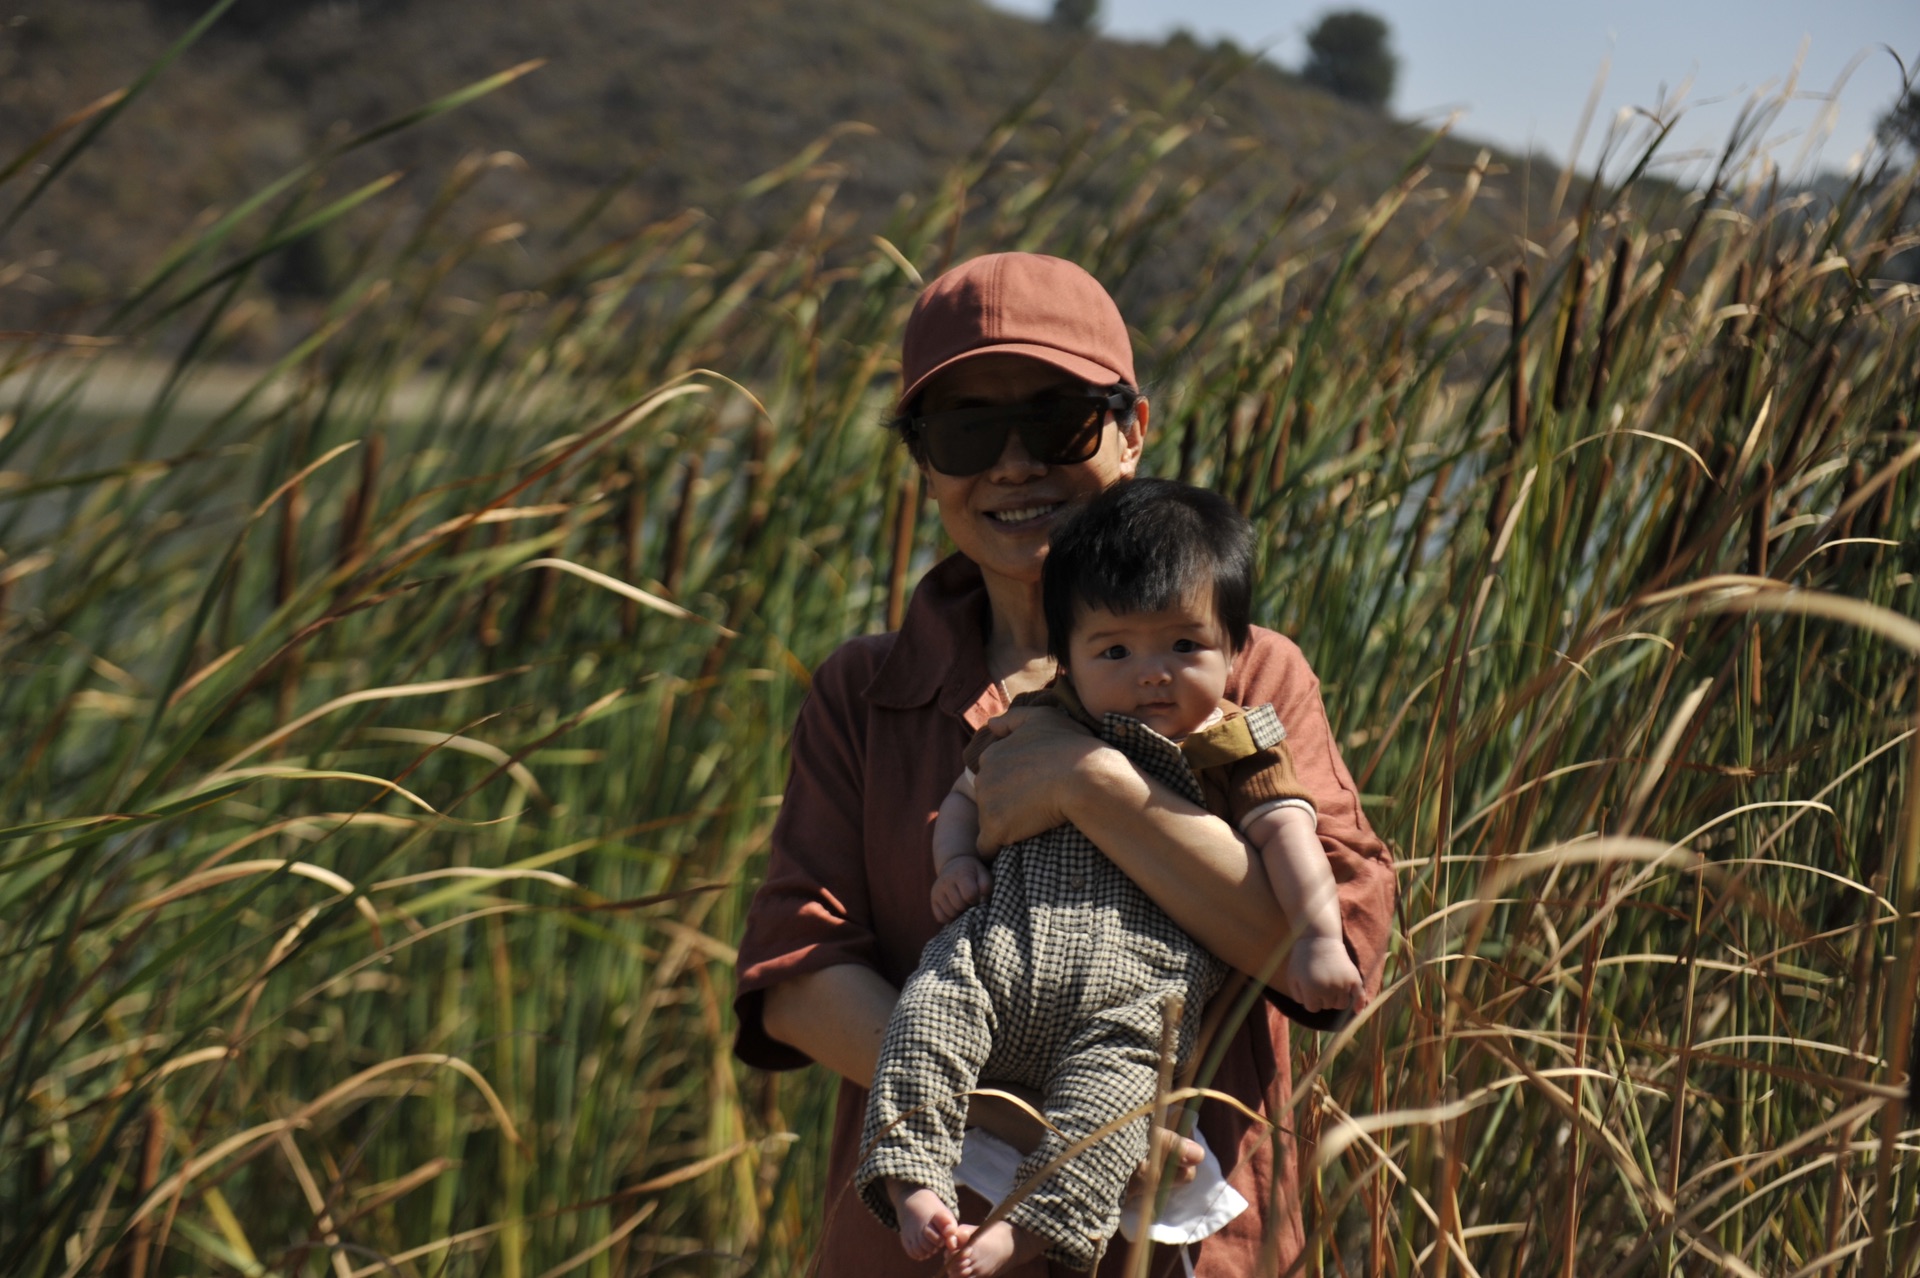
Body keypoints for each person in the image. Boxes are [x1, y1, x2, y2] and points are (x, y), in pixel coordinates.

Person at [731, 251, 1396, 1276]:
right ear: (924, 461)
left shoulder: (1252, 673)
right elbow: (797, 978)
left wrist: (1094, 785)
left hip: (1182, 1248)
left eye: (1057, 421)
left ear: (1133, 430)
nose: (1011, 464)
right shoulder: (867, 694)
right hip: (923, 1245)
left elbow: (1324, 959)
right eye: (963, 431)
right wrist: (1046, 1126)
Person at [857, 477, 1365, 1274]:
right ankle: (913, 1178)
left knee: (1115, 1108)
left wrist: (1319, 935)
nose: (1151, 674)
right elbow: (963, 798)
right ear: (1070, 657)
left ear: (1236, 650)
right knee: (924, 1019)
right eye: (1115, 651)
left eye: (1183, 647)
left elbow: (1292, 837)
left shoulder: (1239, 744)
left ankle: (1025, 1227)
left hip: (1139, 993)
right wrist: (953, 861)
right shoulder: (1038, 715)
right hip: (1001, 954)